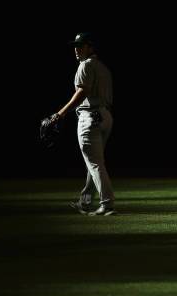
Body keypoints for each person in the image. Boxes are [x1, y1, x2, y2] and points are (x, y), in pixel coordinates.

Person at [53, 33, 116, 216]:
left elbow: (82, 92)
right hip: (105, 116)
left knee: (95, 163)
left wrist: (60, 113)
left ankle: (107, 204)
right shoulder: (103, 68)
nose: (77, 49)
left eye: (81, 45)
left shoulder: (85, 65)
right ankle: (86, 202)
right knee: (94, 163)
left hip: (90, 117)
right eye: (75, 45)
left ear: (91, 47)